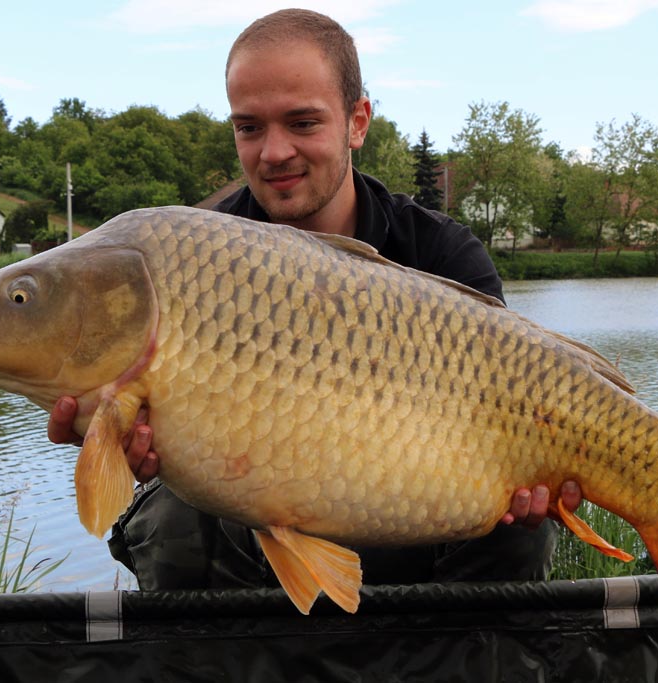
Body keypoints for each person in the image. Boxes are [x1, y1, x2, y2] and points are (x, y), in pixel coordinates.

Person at [48, 8, 581, 590]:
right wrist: (134, 451)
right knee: (171, 513)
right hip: (250, 530)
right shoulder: (194, 258)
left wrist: (541, 481)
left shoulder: (443, 255)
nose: (273, 152)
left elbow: (522, 419)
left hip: (416, 523)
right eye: (249, 128)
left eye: (302, 123)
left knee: (522, 527)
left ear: (358, 122)